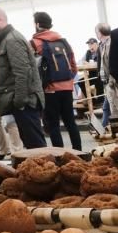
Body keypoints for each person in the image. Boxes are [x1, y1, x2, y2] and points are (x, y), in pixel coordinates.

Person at [0, 6, 46, 149]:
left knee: (37, 148)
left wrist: (19, 102)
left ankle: (47, 170)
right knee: (32, 146)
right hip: (22, 103)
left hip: (26, 104)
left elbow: (23, 73)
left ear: (0, 19)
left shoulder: (12, 40)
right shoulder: (4, 40)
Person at [30, 11, 82, 151]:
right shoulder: (63, 41)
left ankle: (60, 156)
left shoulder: (35, 43)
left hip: (49, 90)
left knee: (53, 124)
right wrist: (68, 81)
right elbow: (73, 66)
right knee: (70, 122)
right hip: (67, 88)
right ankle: (79, 152)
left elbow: (32, 69)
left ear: (37, 24)